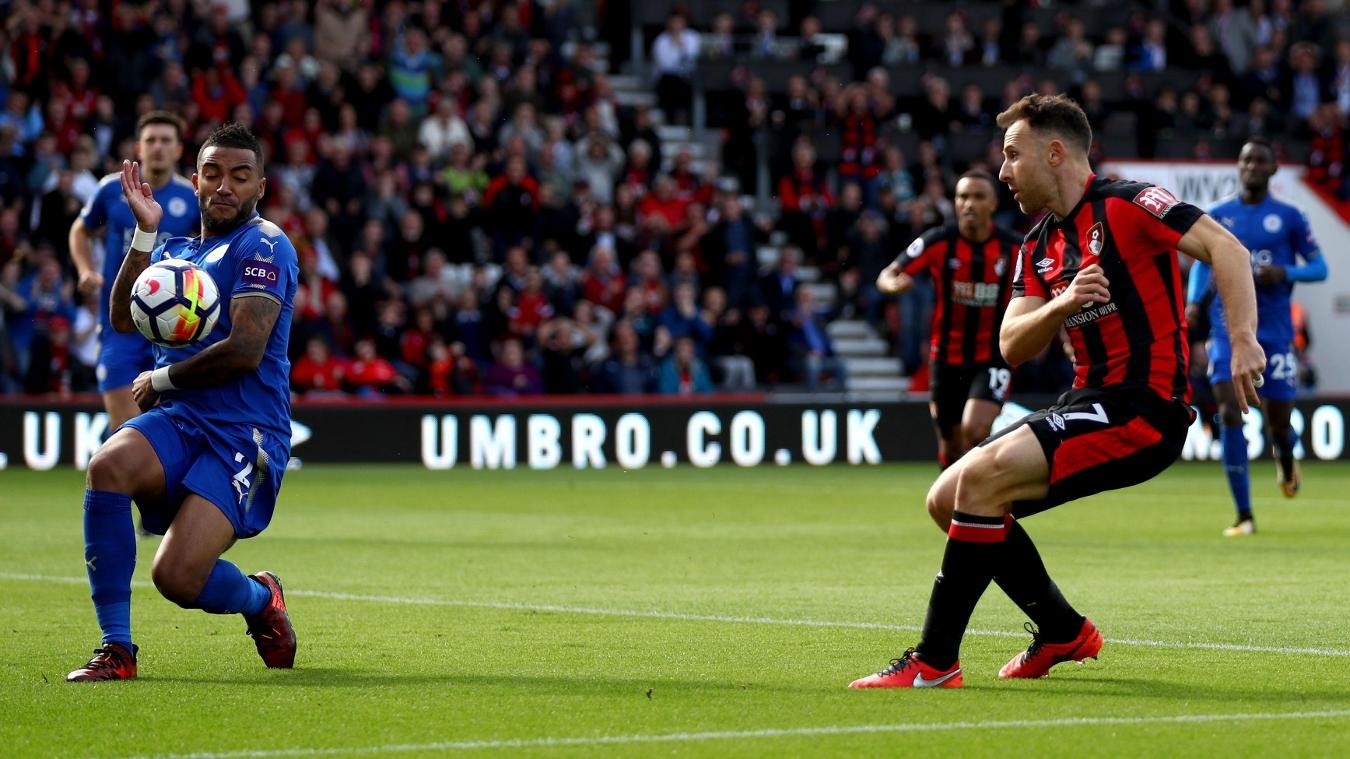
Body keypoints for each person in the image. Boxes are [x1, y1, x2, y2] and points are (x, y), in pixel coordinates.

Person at [849, 94, 1264, 689]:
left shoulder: (1128, 204)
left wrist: (1243, 338)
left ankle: (935, 661)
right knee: (946, 499)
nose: (1002, 172)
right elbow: (1012, 343)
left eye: (1013, 155)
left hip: (1145, 407)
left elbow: (1227, 248)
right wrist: (1065, 303)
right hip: (1088, 400)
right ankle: (1063, 630)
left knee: (980, 478)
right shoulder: (1036, 245)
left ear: (1055, 152)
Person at [68, 123, 299, 681]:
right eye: (214, 174)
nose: (225, 186)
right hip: (183, 418)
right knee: (108, 465)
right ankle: (116, 648)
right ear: (195, 181)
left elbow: (245, 349)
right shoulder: (175, 251)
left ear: (260, 186)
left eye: (240, 176)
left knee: (175, 577)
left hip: (246, 433)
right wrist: (143, 237)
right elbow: (123, 318)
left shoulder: (264, 244)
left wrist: (163, 380)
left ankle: (259, 599)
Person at [1187, 137, 1328, 537]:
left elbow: (1320, 269)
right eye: (1246, 160)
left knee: (1278, 423)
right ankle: (1244, 514)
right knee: (1229, 411)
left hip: (1274, 333)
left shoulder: (1290, 217)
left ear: (1272, 169)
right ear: (1239, 166)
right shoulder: (1217, 215)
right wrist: (1195, 300)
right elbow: (1203, 261)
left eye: (1259, 161)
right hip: (1226, 328)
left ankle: (1285, 455)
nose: (1251, 167)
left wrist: (1286, 273)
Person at [876, 170, 1023, 468]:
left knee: (976, 429)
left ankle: (981, 502)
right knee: (951, 444)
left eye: (978, 197)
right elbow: (887, 275)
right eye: (962, 197)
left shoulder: (1015, 247)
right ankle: (957, 509)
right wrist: (895, 284)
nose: (969, 204)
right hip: (945, 357)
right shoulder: (938, 241)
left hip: (993, 355)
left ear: (993, 204)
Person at [69, 112, 200, 433]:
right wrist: (85, 270)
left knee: (170, 433)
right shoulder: (111, 190)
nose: (158, 147)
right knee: (127, 431)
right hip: (120, 326)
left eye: (166, 140)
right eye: (151, 140)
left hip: (174, 330)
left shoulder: (191, 198)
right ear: (138, 147)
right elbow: (80, 231)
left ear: (179, 149)